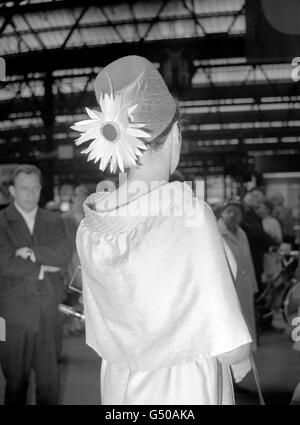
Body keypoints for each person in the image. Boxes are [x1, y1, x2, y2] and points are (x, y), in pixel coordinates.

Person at [73, 55, 252, 405]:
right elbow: (227, 333)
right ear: (174, 136)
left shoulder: (90, 224)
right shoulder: (187, 215)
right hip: (182, 381)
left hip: (119, 378)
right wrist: (242, 358)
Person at [0, 164, 72, 405]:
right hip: (11, 317)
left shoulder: (54, 220)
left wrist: (30, 252)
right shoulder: (1, 222)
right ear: (12, 190)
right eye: (24, 189)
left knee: (50, 385)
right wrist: (42, 265)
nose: (30, 194)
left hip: (48, 314)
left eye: (35, 188)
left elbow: (63, 256)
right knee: (15, 383)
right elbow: (3, 264)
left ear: (41, 188)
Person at [218, 199, 258, 349]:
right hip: (228, 285)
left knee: (247, 317)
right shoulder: (216, 233)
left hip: (244, 282)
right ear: (222, 213)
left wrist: (253, 282)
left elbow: (248, 259)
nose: (233, 215)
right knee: (232, 321)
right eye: (229, 211)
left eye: (237, 212)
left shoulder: (242, 233)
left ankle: (249, 350)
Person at [256, 199, 283, 282]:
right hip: (260, 255)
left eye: (261, 207)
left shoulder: (273, 222)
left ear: (268, 210)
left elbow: (279, 239)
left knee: (273, 280)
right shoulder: (255, 221)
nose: (258, 210)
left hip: (271, 255)